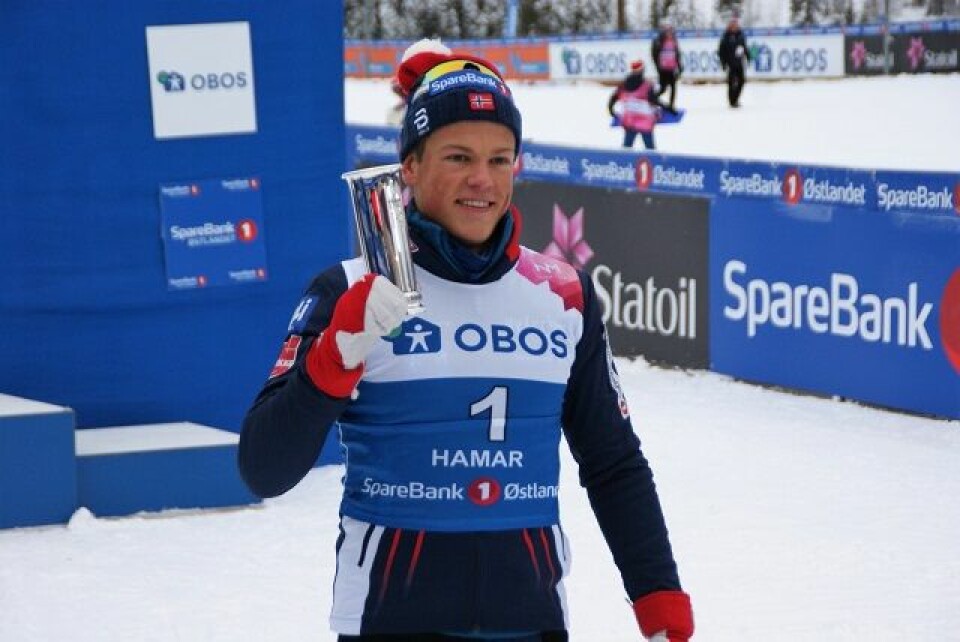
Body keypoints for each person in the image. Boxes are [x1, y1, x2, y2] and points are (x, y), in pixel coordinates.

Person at [238, 37, 694, 642]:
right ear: (410, 167)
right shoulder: (351, 290)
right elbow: (263, 468)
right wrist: (335, 357)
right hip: (387, 622)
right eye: (457, 157)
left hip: (529, 625)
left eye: (500, 159)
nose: (482, 180)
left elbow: (613, 462)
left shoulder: (564, 294)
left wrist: (658, 594)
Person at [607, 60, 677, 151]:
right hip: (645, 122)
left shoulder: (623, 85)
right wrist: (668, 108)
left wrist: (611, 111)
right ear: (642, 70)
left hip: (629, 121)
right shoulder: (646, 86)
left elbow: (613, 99)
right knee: (650, 149)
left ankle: (624, 163)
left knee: (627, 148)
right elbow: (654, 100)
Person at [717, 13, 750, 107]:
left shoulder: (741, 35)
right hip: (730, 63)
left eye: (736, 24)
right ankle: (732, 101)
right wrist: (723, 63)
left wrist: (748, 56)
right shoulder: (726, 36)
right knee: (731, 83)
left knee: (742, 81)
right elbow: (721, 51)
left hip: (739, 62)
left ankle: (735, 99)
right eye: (732, 24)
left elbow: (744, 47)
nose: (734, 26)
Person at [651, 19, 683, 111]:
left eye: (670, 29)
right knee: (663, 88)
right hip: (663, 69)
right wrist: (658, 67)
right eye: (667, 30)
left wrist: (679, 66)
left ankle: (671, 106)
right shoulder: (658, 41)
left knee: (673, 87)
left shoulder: (674, 40)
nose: (669, 32)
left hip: (671, 68)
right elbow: (654, 55)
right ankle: (652, 99)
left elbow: (677, 54)